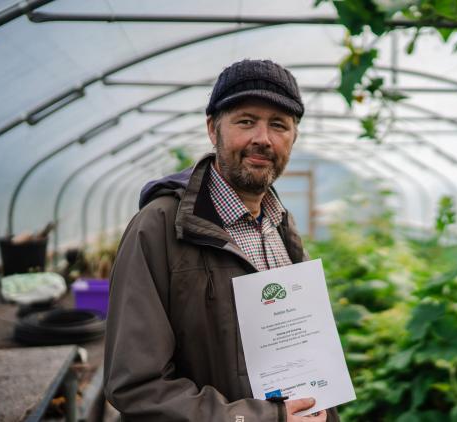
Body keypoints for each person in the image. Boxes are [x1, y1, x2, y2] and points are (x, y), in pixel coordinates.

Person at [104, 59, 338, 421]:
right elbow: (137, 385)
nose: (263, 138)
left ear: (293, 138)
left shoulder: (280, 226)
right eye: (246, 121)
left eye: (279, 125)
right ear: (213, 129)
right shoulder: (159, 228)